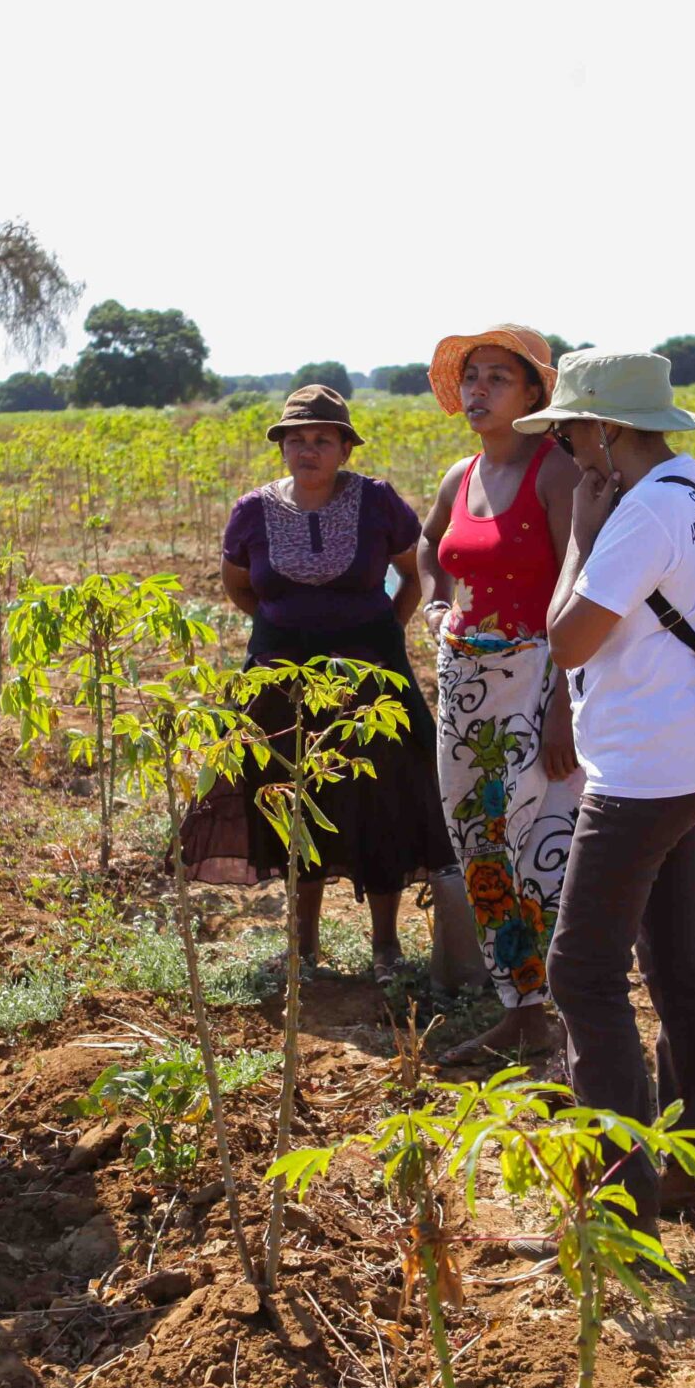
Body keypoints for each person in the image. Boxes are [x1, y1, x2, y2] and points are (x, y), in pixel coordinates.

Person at [518, 350, 695, 1231]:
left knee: (581, 973)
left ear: (610, 431)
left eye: (575, 431)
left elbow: (567, 639)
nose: (570, 450)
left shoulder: (636, 511)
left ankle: (622, 1206)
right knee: (678, 960)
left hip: (645, 773)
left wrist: (579, 529)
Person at [180, 385, 466, 984]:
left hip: (371, 681)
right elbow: (239, 586)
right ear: (282, 448)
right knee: (290, 798)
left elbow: (413, 573)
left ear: (344, 448)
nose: (307, 450)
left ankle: (385, 947)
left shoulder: (378, 502)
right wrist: (282, 625)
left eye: (321, 439)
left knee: (381, 798)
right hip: (279, 682)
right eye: (295, 439)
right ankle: (302, 946)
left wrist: (387, 626)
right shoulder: (252, 512)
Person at [415, 327, 585, 1064]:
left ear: (534, 394)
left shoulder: (557, 474)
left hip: (538, 682)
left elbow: (582, 588)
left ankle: (562, 1011)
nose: (479, 390)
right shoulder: (460, 474)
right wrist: (433, 605)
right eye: (472, 377)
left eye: (498, 378)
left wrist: (562, 705)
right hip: (465, 688)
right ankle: (518, 1007)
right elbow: (430, 546)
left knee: (542, 843)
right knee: (479, 842)